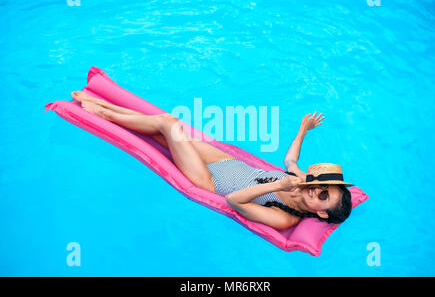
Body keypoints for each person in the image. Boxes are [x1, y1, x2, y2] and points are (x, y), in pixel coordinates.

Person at [71, 91, 352, 230]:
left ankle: (104, 112)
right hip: (226, 162)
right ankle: (106, 106)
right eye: (322, 184)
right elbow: (290, 159)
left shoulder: (284, 218)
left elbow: (236, 202)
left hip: (210, 181)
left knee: (169, 125)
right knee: (159, 132)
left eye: (324, 194)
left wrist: (277, 186)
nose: (317, 188)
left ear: (322, 213)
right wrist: (302, 129)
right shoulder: (301, 182)